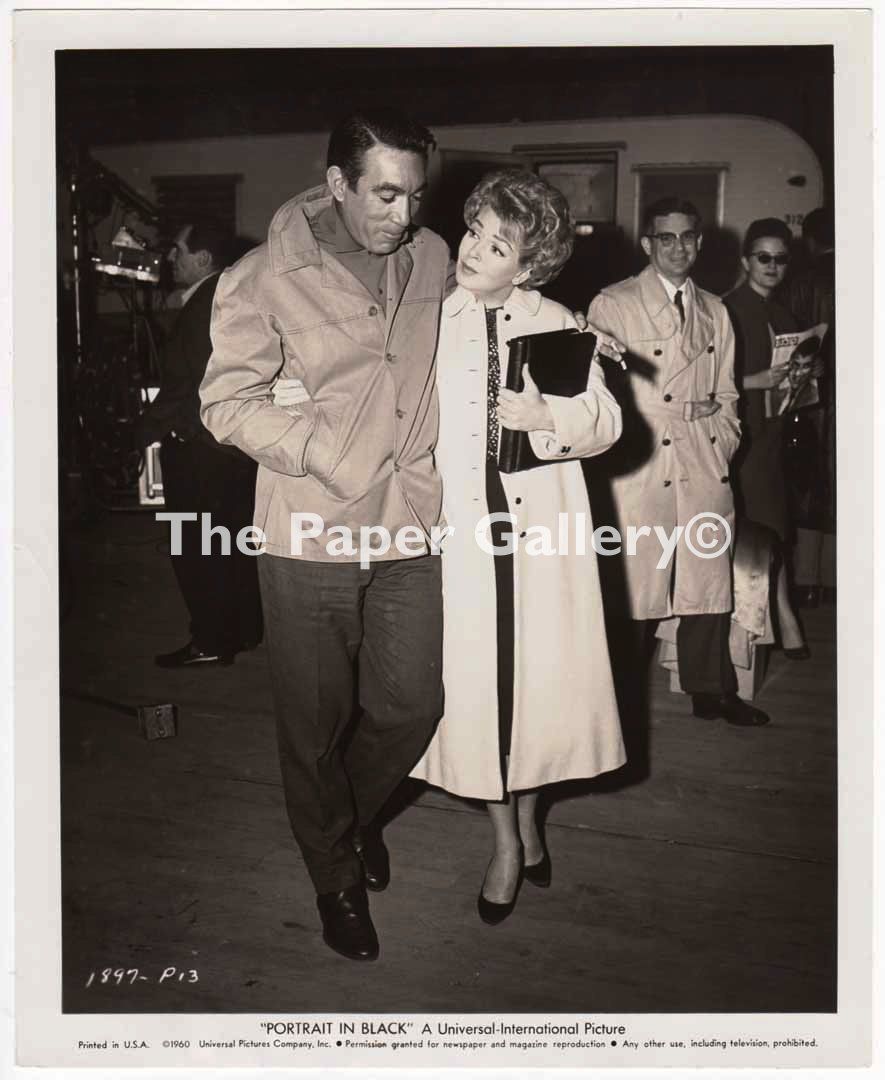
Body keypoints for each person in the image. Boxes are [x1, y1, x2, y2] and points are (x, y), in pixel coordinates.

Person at [199, 109, 449, 962]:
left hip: (410, 520)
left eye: (415, 195)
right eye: (384, 194)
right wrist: (317, 448)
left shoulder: (432, 257)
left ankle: (346, 817)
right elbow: (224, 403)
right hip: (308, 526)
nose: (402, 215)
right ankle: (334, 875)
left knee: (414, 705)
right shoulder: (260, 277)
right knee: (313, 722)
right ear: (337, 182)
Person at [409, 170, 626, 923]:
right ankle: (505, 838)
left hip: (540, 541)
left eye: (495, 244)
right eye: (473, 231)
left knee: (533, 691)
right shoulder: (432, 318)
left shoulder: (563, 323)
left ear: (528, 265)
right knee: (478, 694)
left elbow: (606, 427)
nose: (472, 249)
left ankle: (528, 819)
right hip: (463, 537)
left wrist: (544, 414)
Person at [587, 196, 769, 727]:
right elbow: (599, 395)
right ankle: (616, 702)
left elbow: (729, 393)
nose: (678, 248)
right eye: (666, 238)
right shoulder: (614, 304)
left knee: (706, 580)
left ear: (700, 242)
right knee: (636, 588)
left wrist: (722, 439)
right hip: (642, 462)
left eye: (687, 237)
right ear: (648, 244)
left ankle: (710, 689)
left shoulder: (715, 309)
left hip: (701, 456)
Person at [140, 219, 262, 668]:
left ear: (203, 259)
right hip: (227, 449)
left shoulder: (206, 303)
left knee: (194, 548)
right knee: (230, 545)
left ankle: (210, 641)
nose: (171, 258)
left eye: (178, 251)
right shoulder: (224, 296)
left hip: (199, 449)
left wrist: (148, 430)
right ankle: (242, 630)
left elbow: (188, 385)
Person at [724, 218, 811, 659]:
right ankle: (780, 619)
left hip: (774, 433)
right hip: (743, 438)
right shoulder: (727, 309)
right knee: (758, 532)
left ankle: (778, 616)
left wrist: (803, 379)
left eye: (780, 259)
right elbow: (708, 379)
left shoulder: (784, 315)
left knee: (773, 532)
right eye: (763, 258)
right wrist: (758, 379)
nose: (772, 266)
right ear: (746, 261)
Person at [783, 207, 836, 608]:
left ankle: (805, 581)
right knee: (842, 484)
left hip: (812, 398)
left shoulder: (801, 282)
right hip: (856, 399)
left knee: (805, 483)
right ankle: (836, 580)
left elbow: (790, 340)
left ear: (812, 240)